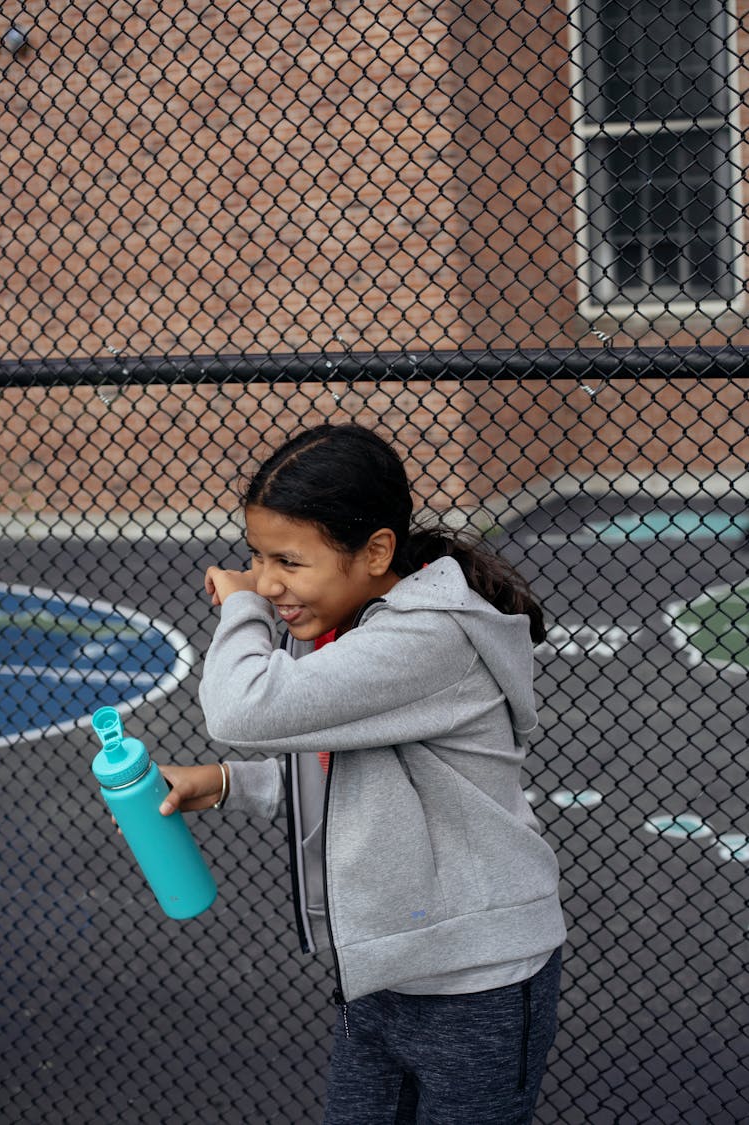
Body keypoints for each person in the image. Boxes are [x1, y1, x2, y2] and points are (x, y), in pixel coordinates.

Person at [158, 422, 566, 1124]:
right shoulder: (362, 624)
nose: (267, 580)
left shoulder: (427, 637)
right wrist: (229, 782)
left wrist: (244, 609)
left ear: (376, 550)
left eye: (288, 560)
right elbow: (358, 778)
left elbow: (242, 706)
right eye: (255, 558)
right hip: (380, 967)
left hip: (478, 979)